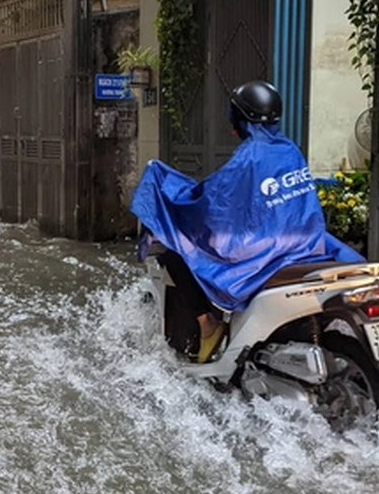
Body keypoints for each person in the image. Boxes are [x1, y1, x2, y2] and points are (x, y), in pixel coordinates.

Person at [131, 80, 363, 362]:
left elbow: (212, 203)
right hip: (304, 242)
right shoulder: (289, 150)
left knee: (177, 250)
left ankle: (208, 327)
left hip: (266, 250)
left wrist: (171, 195)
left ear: (239, 119)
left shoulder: (247, 158)